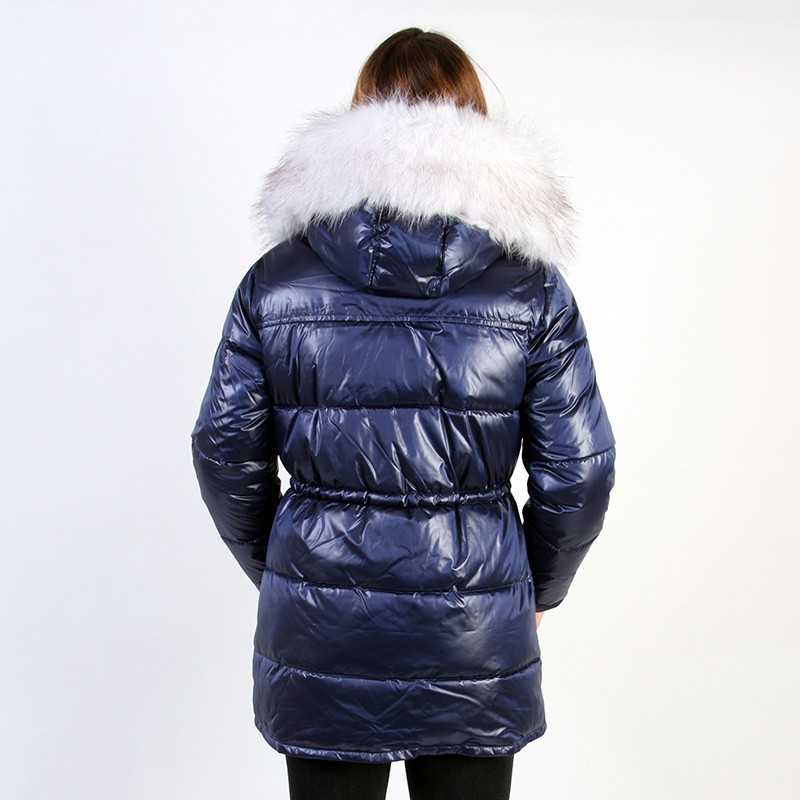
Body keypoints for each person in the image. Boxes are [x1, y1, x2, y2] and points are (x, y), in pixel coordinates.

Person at [191, 27, 616, 800]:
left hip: (320, 628)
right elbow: (581, 472)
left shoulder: (276, 284)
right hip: (472, 633)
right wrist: (535, 590)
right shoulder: (530, 291)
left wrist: (284, 566)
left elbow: (224, 453)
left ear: (360, 117)